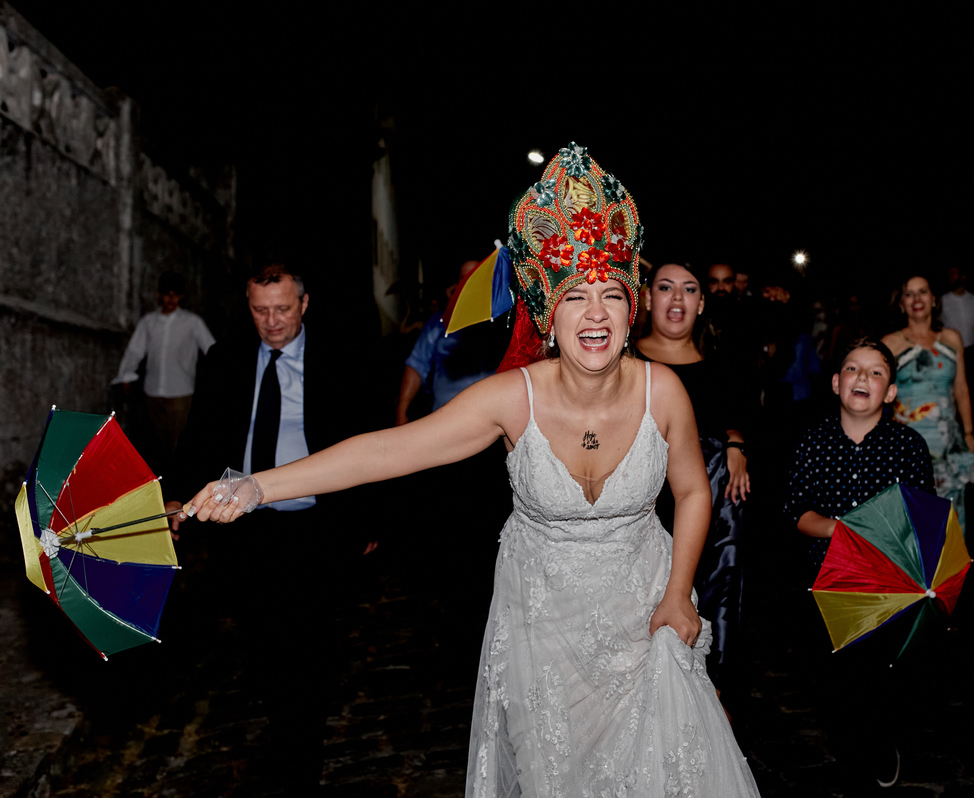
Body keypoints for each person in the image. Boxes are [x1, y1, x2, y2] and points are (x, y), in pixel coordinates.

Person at [179, 146, 762, 797]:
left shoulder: (666, 392)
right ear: (547, 314)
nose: (595, 313)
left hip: (643, 611)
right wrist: (258, 486)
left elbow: (690, 490)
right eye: (576, 297)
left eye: (611, 296)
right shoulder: (514, 397)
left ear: (633, 311)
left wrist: (680, 592)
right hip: (546, 628)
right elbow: (385, 451)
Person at [166, 261, 384, 790]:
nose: (272, 322)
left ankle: (299, 753)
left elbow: (369, 436)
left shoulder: (339, 357)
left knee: (309, 646)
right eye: (260, 311)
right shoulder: (224, 360)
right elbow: (199, 437)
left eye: (282, 309)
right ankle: (285, 721)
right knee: (261, 644)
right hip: (243, 530)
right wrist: (174, 494)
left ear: (304, 304)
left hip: (313, 525)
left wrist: (371, 515)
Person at [784, 337, 935, 790]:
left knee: (879, 677)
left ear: (890, 392)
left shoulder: (908, 445)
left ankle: (880, 740)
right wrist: (838, 529)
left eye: (875, 373)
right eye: (852, 369)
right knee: (836, 680)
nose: (862, 378)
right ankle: (852, 745)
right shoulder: (813, 443)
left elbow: (920, 515)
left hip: (885, 583)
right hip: (824, 580)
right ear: (835, 383)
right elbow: (797, 513)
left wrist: (884, 535)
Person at [635, 261, 753, 698]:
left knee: (718, 591)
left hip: (713, 498)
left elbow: (737, 417)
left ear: (701, 303)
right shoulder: (626, 360)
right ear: (648, 297)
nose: (677, 298)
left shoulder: (719, 360)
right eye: (666, 287)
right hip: (646, 499)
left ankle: (714, 694)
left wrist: (736, 445)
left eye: (689, 289)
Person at [883, 274, 974, 531]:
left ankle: (949, 571)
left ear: (934, 300)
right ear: (901, 304)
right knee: (913, 521)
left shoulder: (951, 338)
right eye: (909, 293)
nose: (917, 299)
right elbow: (878, 396)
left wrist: (968, 433)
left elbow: (961, 388)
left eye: (922, 291)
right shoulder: (889, 344)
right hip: (906, 445)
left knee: (950, 521)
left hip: (948, 443)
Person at [112, 271, 215, 467]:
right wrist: (126, 375)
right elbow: (135, 350)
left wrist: (215, 379)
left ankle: (179, 484)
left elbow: (212, 349)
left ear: (181, 296)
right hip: (153, 392)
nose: (170, 299)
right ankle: (164, 480)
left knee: (179, 442)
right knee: (159, 444)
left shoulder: (192, 322)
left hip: (181, 392)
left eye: (175, 294)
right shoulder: (149, 322)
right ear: (159, 295)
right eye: (166, 294)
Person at [395, 259, 505, 424]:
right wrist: (402, 411)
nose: (470, 282)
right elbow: (417, 364)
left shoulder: (501, 322)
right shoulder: (439, 322)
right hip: (446, 419)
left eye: (475, 276)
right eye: (464, 278)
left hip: (492, 421)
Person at [939, 265, 974, 366]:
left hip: (971, 352)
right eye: (949, 274)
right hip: (949, 351)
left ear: (962, 277)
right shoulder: (942, 300)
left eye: (953, 274)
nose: (950, 277)